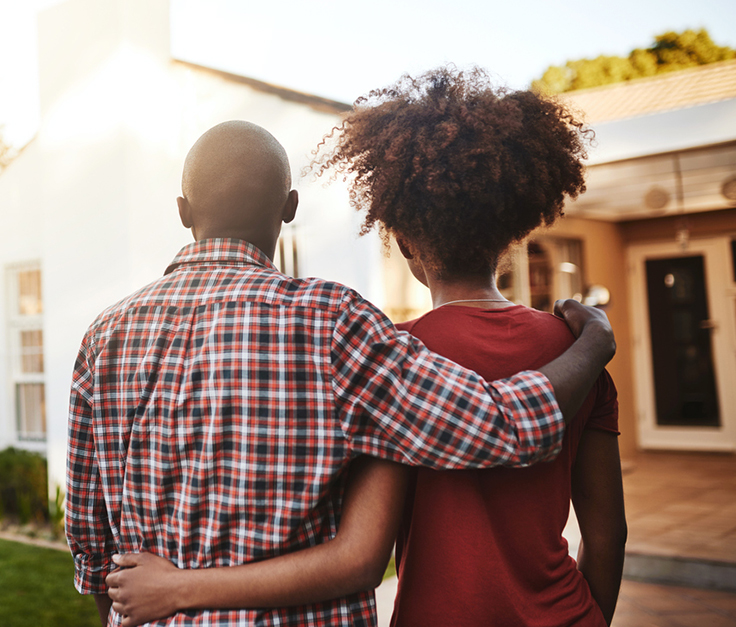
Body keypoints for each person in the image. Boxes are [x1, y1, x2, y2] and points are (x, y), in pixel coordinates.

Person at [104, 69, 626, 626]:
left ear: (402, 241)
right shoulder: (568, 355)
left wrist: (175, 590)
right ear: (511, 233)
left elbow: (360, 553)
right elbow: (608, 530)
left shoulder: (397, 350)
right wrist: (595, 341)